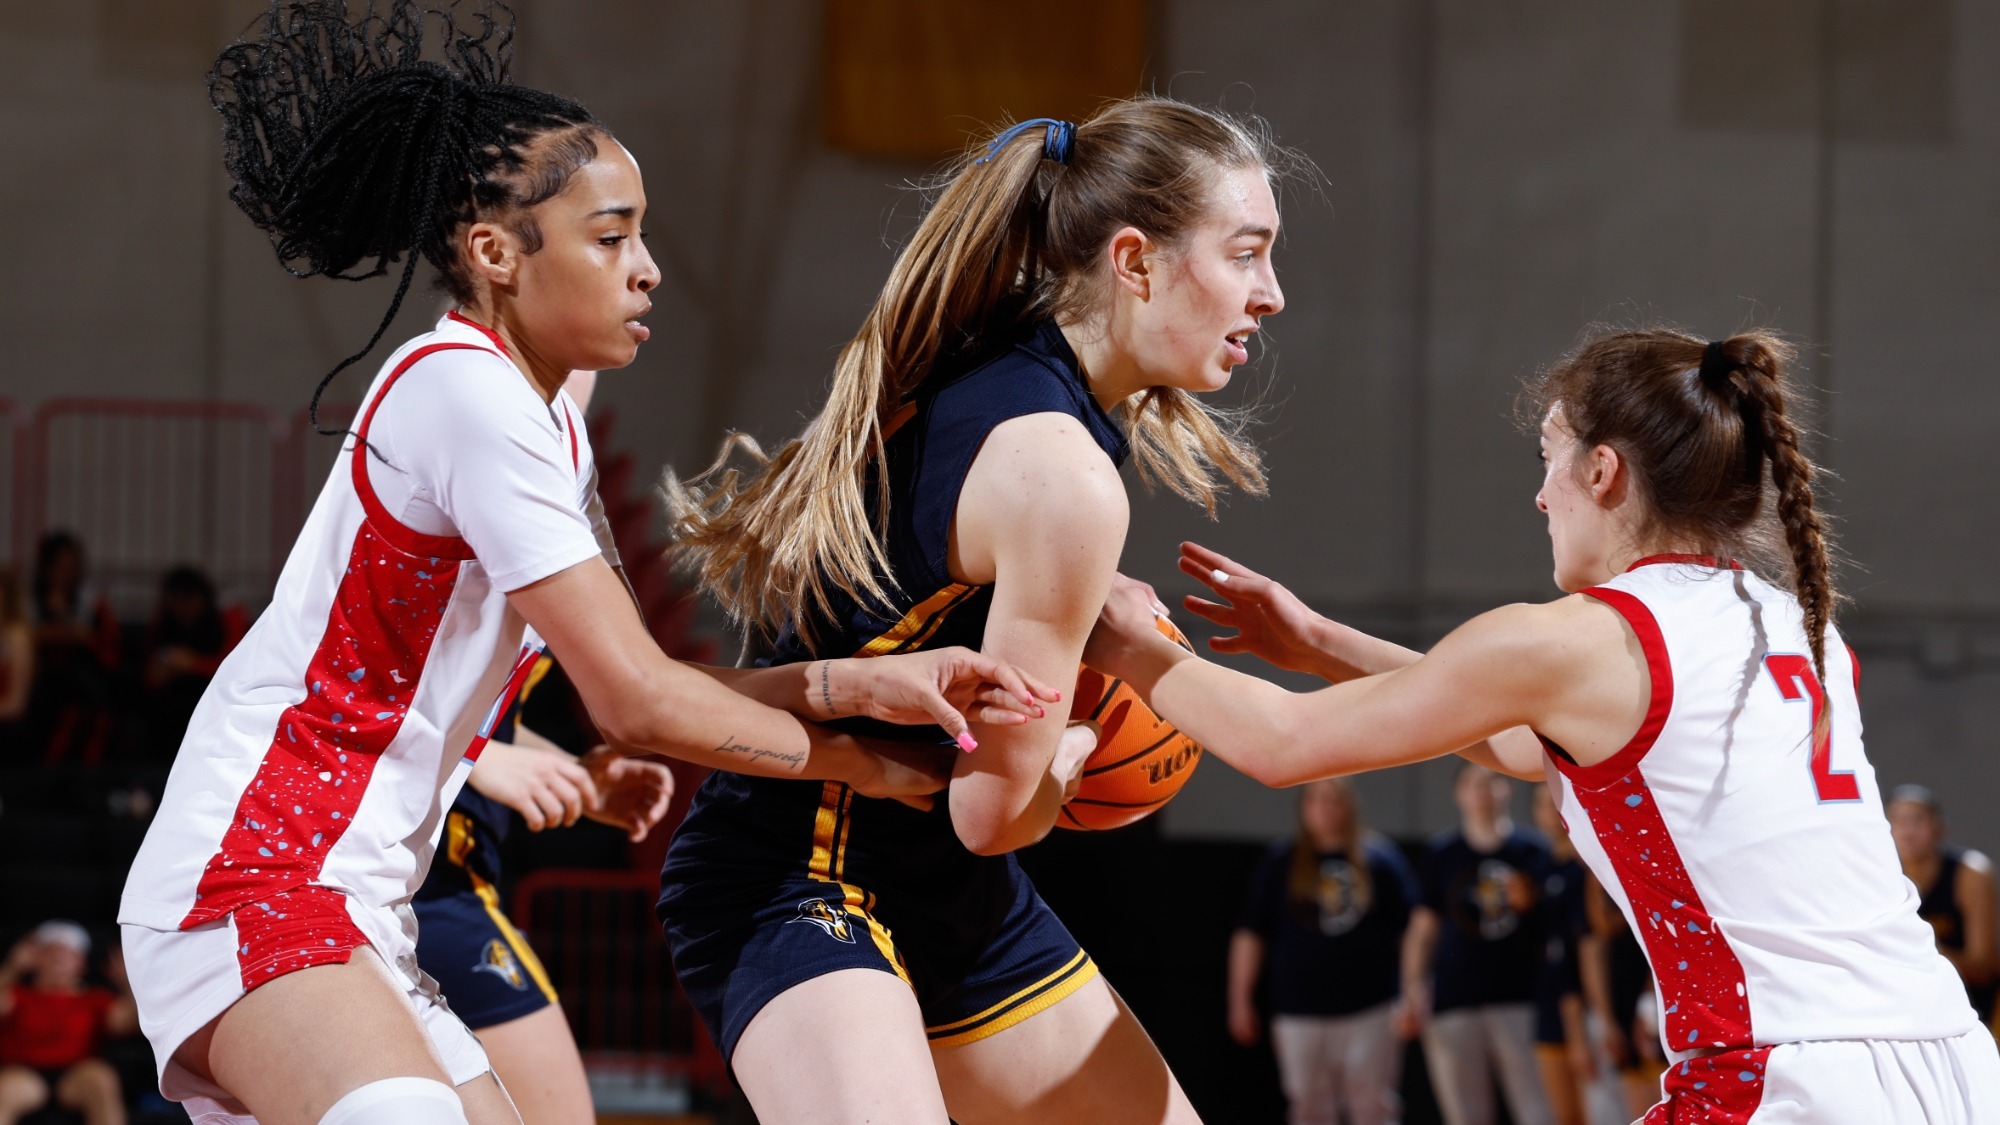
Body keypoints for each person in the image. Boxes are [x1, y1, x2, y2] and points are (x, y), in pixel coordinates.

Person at [116, 6, 1055, 1124]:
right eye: (612, 239)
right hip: (257, 875)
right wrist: (859, 760)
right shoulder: (466, 395)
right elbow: (640, 699)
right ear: (495, 254)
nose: (649, 270)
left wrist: (862, 685)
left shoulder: (541, 413)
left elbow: (636, 683)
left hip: (358, 899)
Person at [1085, 326, 2000, 1122]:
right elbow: (1531, 744)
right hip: (1954, 1059)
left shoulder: (1578, 639)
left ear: (1602, 470)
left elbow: (1279, 745)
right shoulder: (1790, 621)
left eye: (1547, 457)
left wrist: (1131, 645)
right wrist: (1323, 640)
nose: (1539, 495)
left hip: (1791, 1079)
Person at [661, 98, 1293, 1123]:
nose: (1270, 294)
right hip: (798, 877)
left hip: (943, 892)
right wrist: (1086, 743)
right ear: (1133, 262)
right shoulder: (1062, 477)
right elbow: (992, 811)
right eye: (1247, 253)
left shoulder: (988, 365)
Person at [1231, 778, 1415, 1125]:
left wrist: (1412, 989)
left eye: (1334, 800)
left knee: (1373, 1107)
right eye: (1316, 800)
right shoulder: (1281, 861)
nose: (1325, 809)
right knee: (1309, 1108)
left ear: (1349, 806)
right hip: (1299, 1010)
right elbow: (1250, 934)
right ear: (1303, 808)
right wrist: (1239, 1000)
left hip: (1370, 1008)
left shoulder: (1380, 859)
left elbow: (1410, 932)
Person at [1398, 765, 1554, 1125]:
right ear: (1459, 794)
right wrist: (1412, 988)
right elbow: (1421, 932)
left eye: (1492, 782)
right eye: (1473, 783)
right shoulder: (1443, 853)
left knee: (1538, 1109)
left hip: (1523, 999)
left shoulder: (1534, 850)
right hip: (1455, 1002)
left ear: (1508, 790)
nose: (1483, 792)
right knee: (1465, 1114)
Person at [0, 921, 138, 1125]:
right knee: (6, 1088)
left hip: (76, 1076)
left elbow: (127, 1024)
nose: (58, 957)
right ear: (36, 960)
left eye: (67, 953)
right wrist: (12, 967)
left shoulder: (94, 999)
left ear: (81, 963)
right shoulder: (18, 995)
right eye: (50, 952)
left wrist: (128, 981)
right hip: (25, 1075)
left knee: (101, 1078)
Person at [1889, 784, 1998, 1024]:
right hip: (1910, 1010)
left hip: (1973, 1008)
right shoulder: (1881, 877)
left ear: (1939, 828)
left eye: (1918, 821)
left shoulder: (1970, 874)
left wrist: (1925, 949)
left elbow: (1984, 969)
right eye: (1900, 822)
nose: (1909, 832)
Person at [1529, 783, 1594, 1125]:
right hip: (1550, 1002)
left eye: (1554, 798)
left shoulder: (1593, 867)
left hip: (1592, 1004)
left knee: (1601, 1109)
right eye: (1541, 803)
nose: (1550, 810)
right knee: (1563, 1114)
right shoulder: (1534, 872)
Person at [140, 566, 247, 754]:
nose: (183, 608)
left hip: (218, 696)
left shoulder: (227, 618)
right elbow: (149, 673)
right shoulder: (164, 622)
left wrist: (193, 664)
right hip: (175, 701)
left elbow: (237, 669)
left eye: (188, 599)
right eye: (176, 601)